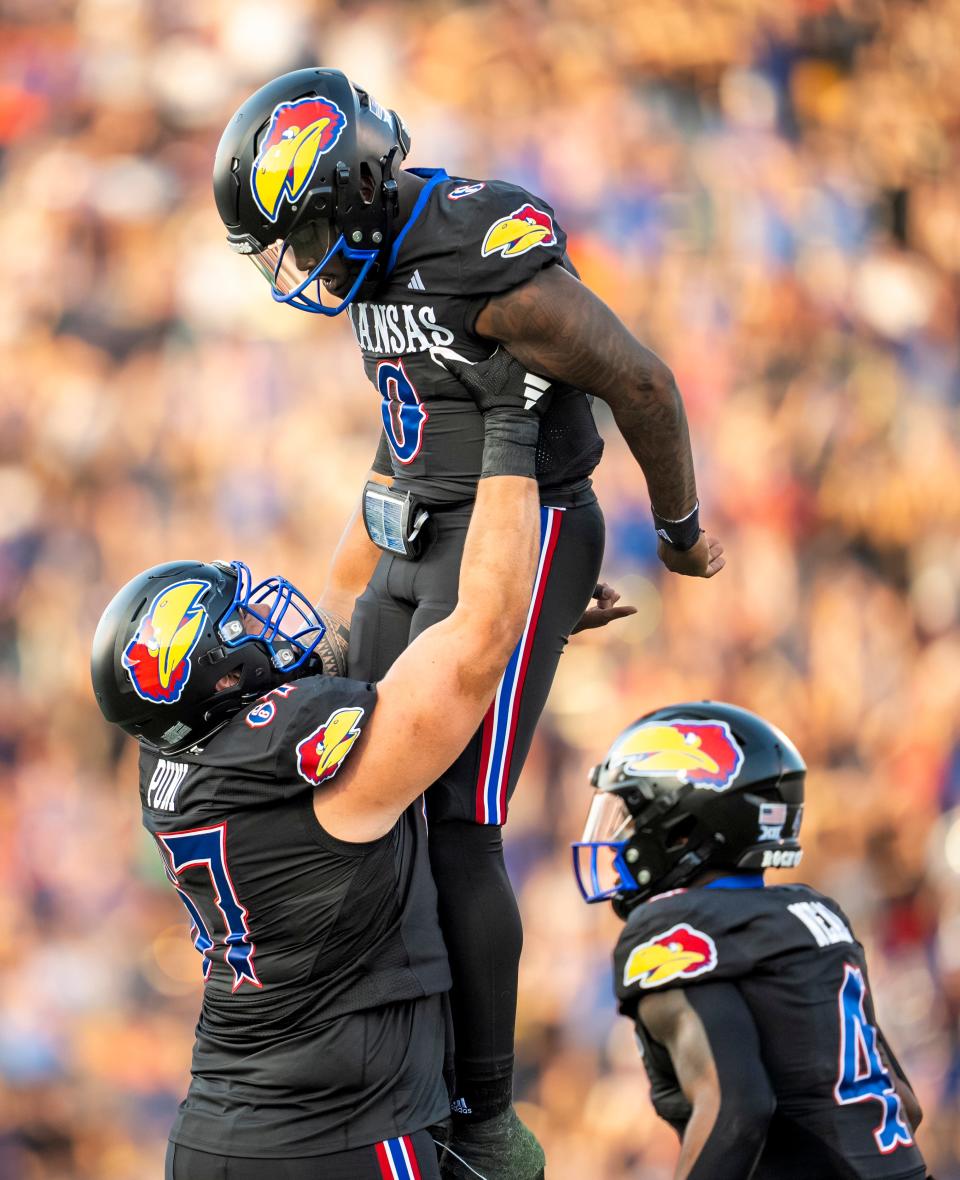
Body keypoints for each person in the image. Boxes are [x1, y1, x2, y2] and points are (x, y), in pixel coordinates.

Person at [213, 67, 724, 1179]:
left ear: (350, 190)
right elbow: (416, 420)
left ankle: (484, 1110)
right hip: (426, 536)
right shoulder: (387, 262)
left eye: (300, 233)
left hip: (511, 530)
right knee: (365, 771)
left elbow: (640, 381)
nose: (297, 266)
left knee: (456, 814)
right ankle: (412, 1065)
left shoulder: (478, 242)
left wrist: (680, 532)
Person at [90, 357, 549, 1180]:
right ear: (220, 679)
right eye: (243, 624)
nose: (272, 616)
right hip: (338, 1139)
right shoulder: (301, 765)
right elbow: (480, 642)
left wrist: (405, 419)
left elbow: (345, 593)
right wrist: (512, 428)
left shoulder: (181, 751)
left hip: (216, 1138)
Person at [573, 702, 930, 1180]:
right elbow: (904, 1106)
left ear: (682, 830)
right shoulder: (816, 914)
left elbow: (735, 1112)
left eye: (633, 818)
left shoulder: (673, 928)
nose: (620, 841)